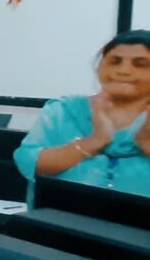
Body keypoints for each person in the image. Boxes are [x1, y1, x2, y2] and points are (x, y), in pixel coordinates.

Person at [14, 30, 150, 198]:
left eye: (141, 64)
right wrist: (95, 140)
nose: (123, 70)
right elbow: (29, 164)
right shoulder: (64, 110)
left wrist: (146, 143)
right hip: (63, 213)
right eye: (114, 62)